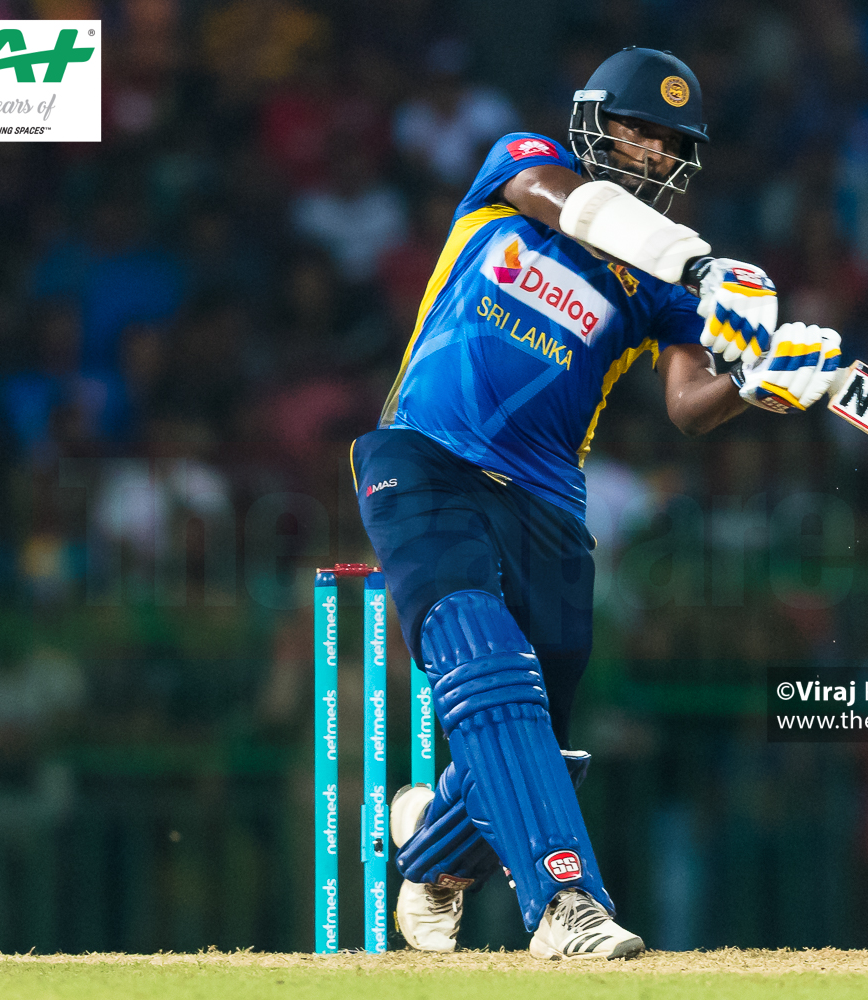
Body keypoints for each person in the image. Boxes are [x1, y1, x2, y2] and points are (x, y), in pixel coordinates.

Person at [352, 47, 843, 960]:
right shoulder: (520, 165)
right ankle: (566, 905)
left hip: (547, 504)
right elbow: (572, 204)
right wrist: (703, 265)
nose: (651, 151)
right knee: (486, 663)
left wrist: (762, 381)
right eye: (635, 129)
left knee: (531, 736)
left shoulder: (661, 289)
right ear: (592, 123)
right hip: (425, 458)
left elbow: (690, 406)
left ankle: (430, 850)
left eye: (669, 143)